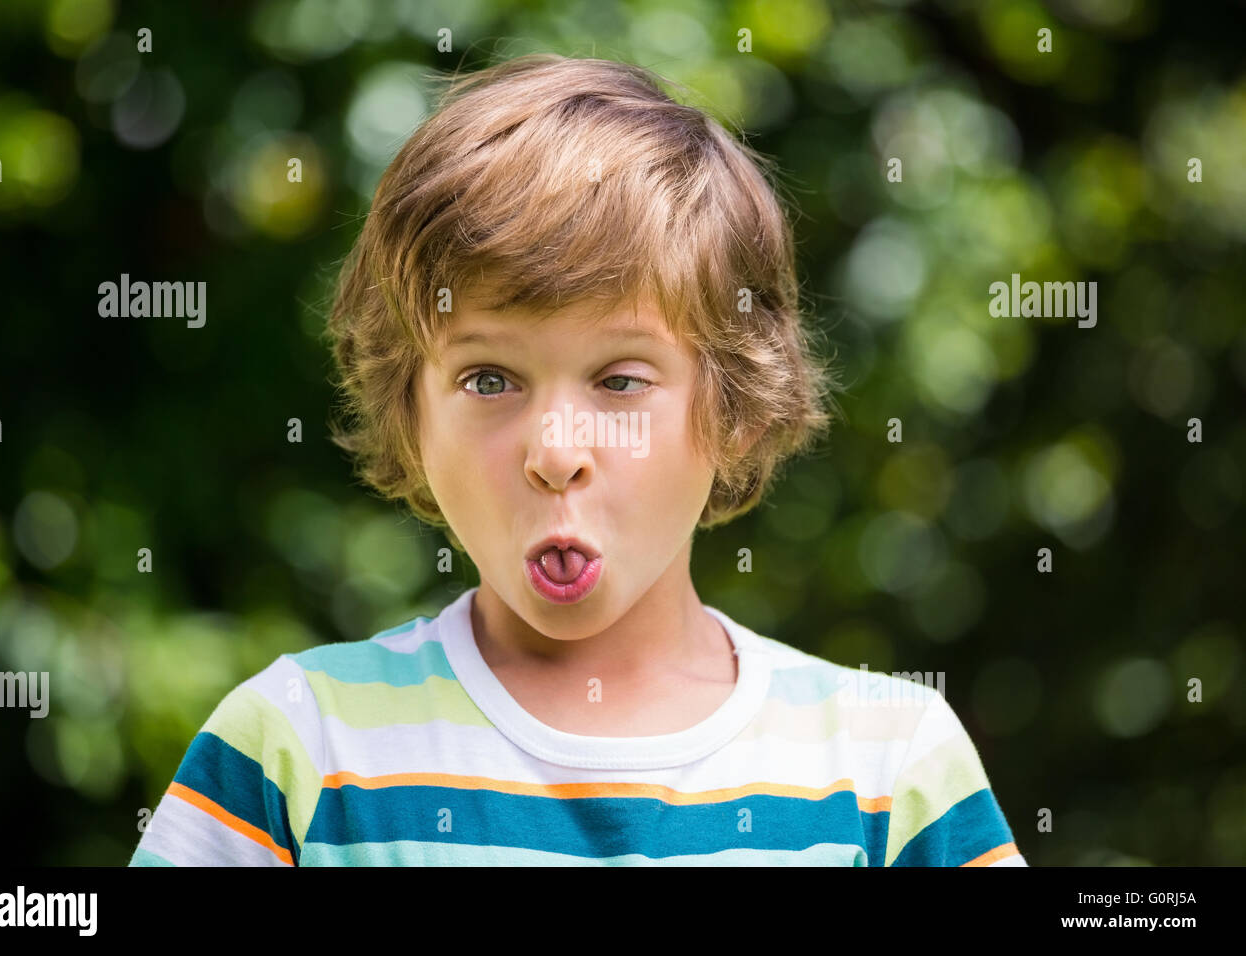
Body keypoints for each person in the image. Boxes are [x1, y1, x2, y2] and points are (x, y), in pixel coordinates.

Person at [130, 53, 1026, 866]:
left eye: (622, 381)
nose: (556, 454)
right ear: (409, 415)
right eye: (488, 379)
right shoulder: (294, 752)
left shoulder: (885, 771)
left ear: (736, 410)